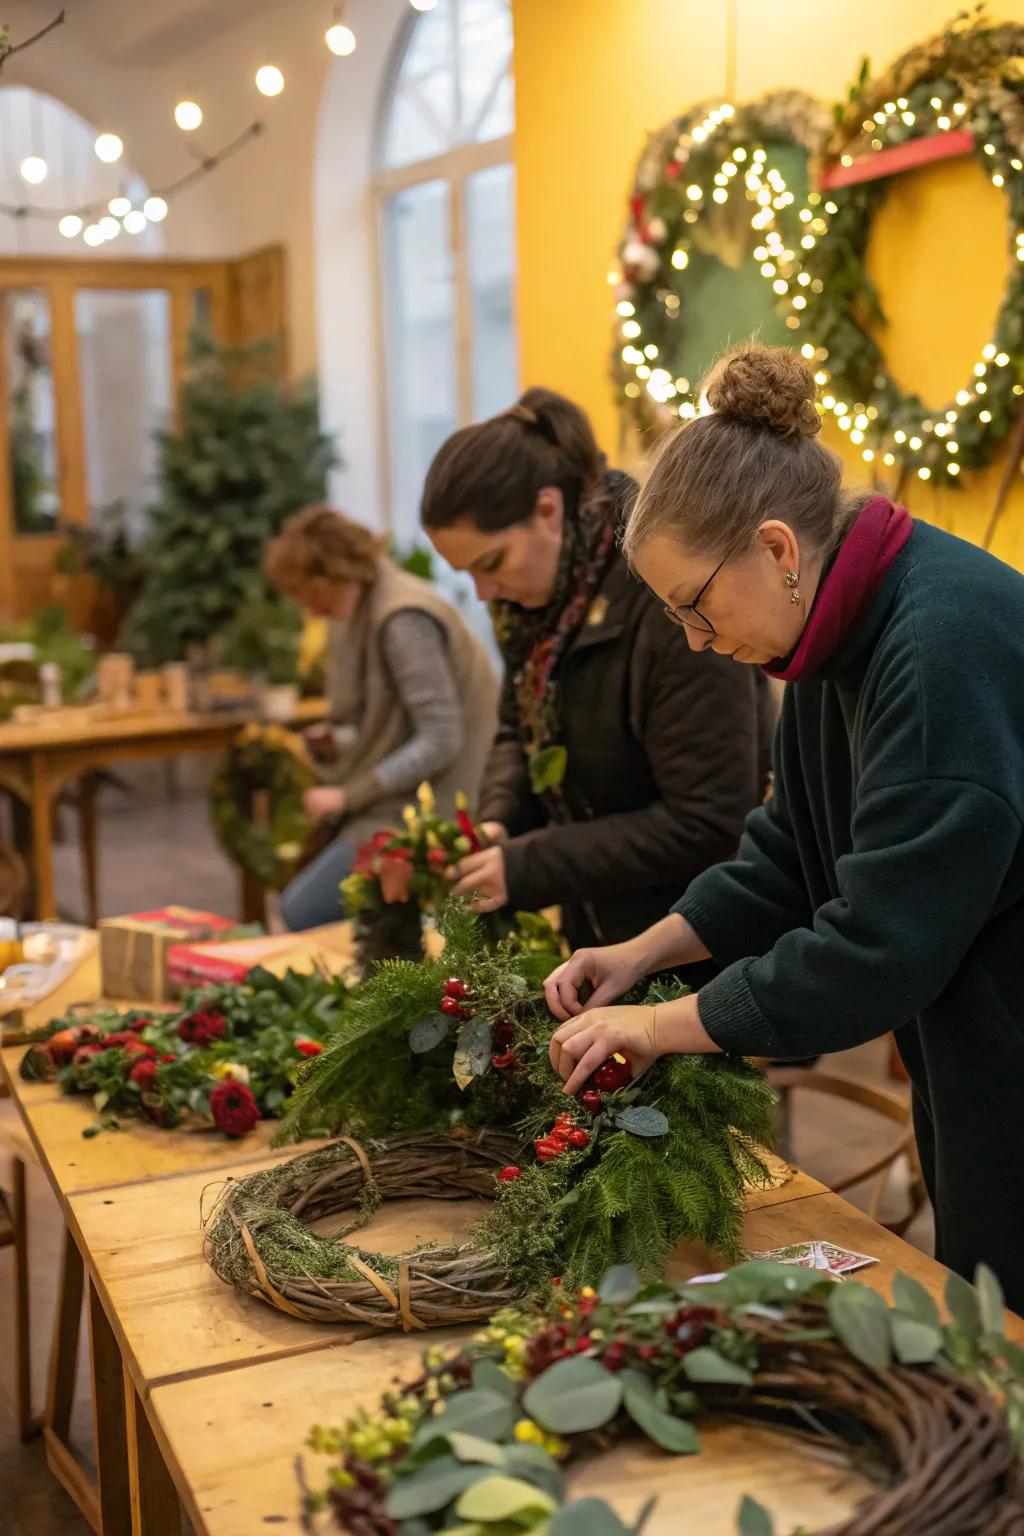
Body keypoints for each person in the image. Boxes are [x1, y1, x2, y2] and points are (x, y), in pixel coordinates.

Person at [544, 341, 1024, 1308]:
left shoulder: (937, 649)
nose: (693, 640)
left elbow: (875, 950)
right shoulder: (830, 631)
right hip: (979, 1048)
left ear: (776, 549)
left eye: (694, 605)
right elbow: (789, 853)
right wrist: (644, 951)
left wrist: (660, 1029)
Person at [420, 386, 774, 948]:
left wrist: (528, 866)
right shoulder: (537, 604)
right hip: (605, 935)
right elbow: (518, 730)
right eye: (467, 575)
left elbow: (707, 820)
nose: (484, 593)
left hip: (698, 946)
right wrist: (498, 823)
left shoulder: (663, 594)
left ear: (548, 510)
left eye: (491, 563)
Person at [264, 505, 498, 930]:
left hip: (439, 811)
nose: (307, 608)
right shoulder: (368, 603)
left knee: (303, 910)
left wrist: (347, 797)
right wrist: (341, 739)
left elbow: (442, 738)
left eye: (303, 593)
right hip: (406, 803)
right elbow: (390, 721)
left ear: (327, 575)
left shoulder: (401, 620)